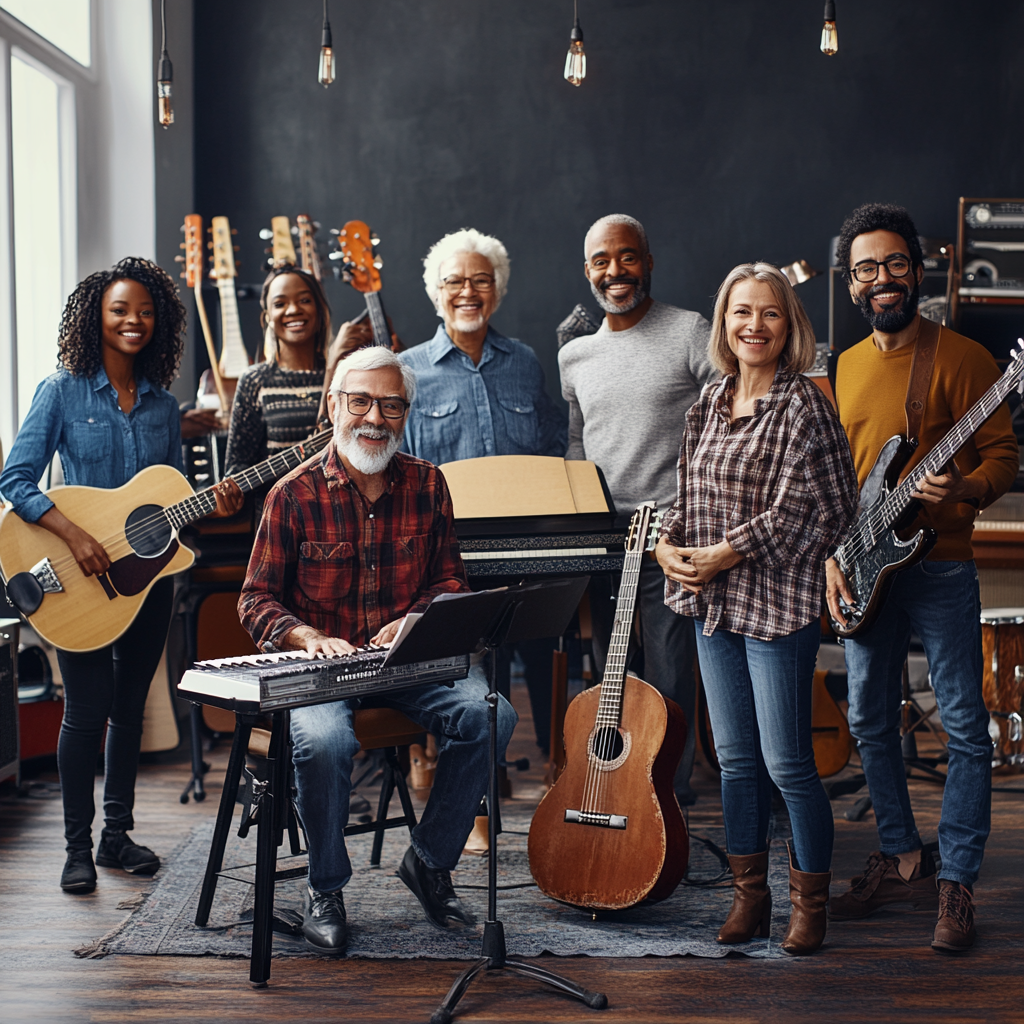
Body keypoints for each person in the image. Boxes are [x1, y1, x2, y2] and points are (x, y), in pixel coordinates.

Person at [238, 346, 516, 956]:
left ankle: (429, 862)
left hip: (405, 662)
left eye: (391, 405)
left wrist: (415, 619)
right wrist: (307, 637)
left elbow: (450, 581)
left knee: (491, 712)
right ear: (333, 406)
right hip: (322, 671)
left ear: (406, 413)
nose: (374, 416)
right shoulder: (291, 494)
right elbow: (254, 600)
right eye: (360, 400)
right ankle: (326, 888)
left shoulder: (427, 483)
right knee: (327, 740)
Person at [0, 257, 242, 894]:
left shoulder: (165, 408)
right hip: (76, 583)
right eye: (119, 310)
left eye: (145, 311)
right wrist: (76, 536)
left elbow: (165, 499)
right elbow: (15, 480)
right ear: (94, 317)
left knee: (129, 712)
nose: (133, 321)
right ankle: (76, 849)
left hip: (149, 584)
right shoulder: (61, 391)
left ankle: (116, 836)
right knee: (85, 712)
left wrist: (207, 502)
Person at [826, 203, 1019, 952]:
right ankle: (903, 856)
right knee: (869, 720)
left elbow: (1000, 455)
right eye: (868, 268)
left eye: (896, 265)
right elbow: (844, 482)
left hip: (939, 567)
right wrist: (836, 556)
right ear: (852, 284)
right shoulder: (842, 369)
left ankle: (957, 883)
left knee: (966, 728)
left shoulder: (967, 359)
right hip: (866, 567)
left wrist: (964, 489)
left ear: (919, 270)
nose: (884, 279)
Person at [657, 262, 858, 955]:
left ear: (789, 324)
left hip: (779, 607)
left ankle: (811, 905)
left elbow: (820, 509)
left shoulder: (805, 406)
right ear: (724, 324)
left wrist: (728, 552)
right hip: (714, 605)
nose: (754, 326)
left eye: (769, 313)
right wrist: (670, 545)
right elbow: (690, 494)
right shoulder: (709, 402)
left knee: (787, 764)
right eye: (741, 312)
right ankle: (751, 898)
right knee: (736, 761)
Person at [559, 214, 717, 806]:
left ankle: (665, 804)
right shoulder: (574, 356)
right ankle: (617, 788)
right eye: (602, 260)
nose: (615, 270)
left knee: (671, 675)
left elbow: (733, 411)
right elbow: (577, 444)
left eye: (627, 257)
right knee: (611, 677)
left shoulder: (688, 332)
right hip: (605, 538)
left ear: (648, 262)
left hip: (671, 535)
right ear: (587, 270)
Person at [399, 228, 566, 755]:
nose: (468, 292)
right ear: (435, 292)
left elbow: (551, 444)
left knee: (543, 646)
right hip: (450, 551)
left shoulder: (524, 361)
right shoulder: (410, 371)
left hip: (527, 545)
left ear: (498, 290)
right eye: (455, 281)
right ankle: (476, 783)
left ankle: (556, 764)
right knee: (462, 667)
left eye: (481, 280)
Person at [224, 266, 335, 480]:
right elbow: (235, 469)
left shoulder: (343, 376)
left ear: (320, 309)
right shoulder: (255, 380)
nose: (293, 310)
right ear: (267, 318)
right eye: (280, 304)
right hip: (275, 510)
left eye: (304, 300)